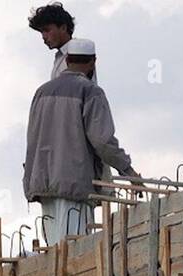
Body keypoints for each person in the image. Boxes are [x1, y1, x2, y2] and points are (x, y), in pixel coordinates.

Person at [23, 38, 137, 239]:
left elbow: (32, 139)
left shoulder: (41, 92)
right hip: (75, 183)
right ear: (93, 62)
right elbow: (102, 141)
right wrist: (128, 171)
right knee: (75, 247)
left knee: (54, 250)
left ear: (66, 60)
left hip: (43, 182)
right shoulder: (90, 91)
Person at [27, 3, 95, 83]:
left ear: (63, 28)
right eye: (41, 32)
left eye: (47, 30)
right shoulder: (60, 56)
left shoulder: (78, 53)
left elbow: (80, 89)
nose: (44, 36)